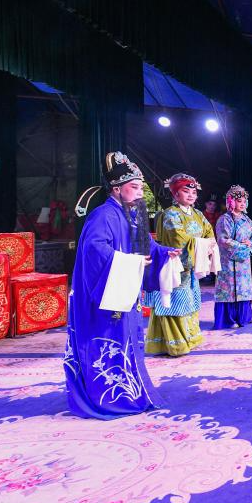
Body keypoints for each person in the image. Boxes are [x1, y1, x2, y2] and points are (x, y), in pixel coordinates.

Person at [64, 152, 180, 418]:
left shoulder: (133, 215)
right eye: (135, 187)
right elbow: (94, 251)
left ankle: (129, 391)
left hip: (126, 291)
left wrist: (164, 253)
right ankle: (105, 397)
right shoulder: (102, 215)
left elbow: (147, 246)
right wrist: (131, 262)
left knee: (128, 340)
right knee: (107, 343)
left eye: (140, 187)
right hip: (104, 294)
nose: (140, 192)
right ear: (117, 188)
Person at [145, 173, 215, 357]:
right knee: (173, 302)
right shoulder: (170, 214)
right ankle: (174, 344)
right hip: (174, 264)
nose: (191, 195)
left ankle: (190, 339)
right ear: (175, 194)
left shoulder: (198, 214)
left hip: (191, 266)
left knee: (190, 301)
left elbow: (209, 231)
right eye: (186, 191)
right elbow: (179, 238)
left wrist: (207, 243)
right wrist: (202, 244)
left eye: (194, 192)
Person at [213, 185, 252, 329]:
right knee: (228, 289)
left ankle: (244, 316)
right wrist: (243, 247)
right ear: (231, 202)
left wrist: (250, 244)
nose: (243, 204)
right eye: (239, 201)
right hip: (228, 261)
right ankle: (228, 319)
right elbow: (223, 240)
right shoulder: (224, 219)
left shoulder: (247, 219)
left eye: (244, 201)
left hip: (244, 262)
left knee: (244, 288)